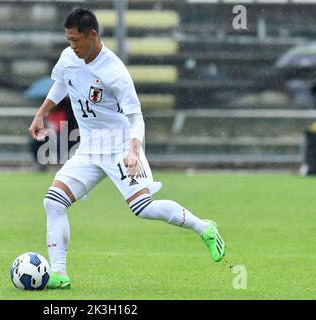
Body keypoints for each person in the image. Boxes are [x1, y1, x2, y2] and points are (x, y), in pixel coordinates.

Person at [28, 8, 226, 289]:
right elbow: (61, 82)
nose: (72, 45)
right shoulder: (68, 57)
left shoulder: (115, 71)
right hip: (88, 150)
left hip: (120, 148)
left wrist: (133, 151)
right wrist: (41, 113)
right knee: (53, 201)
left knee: (143, 208)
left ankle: (203, 227)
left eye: (76, 40)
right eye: (69, 39)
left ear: (93, 35)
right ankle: (59, 274)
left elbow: (136, 117)